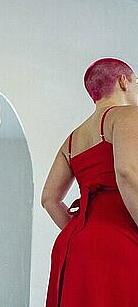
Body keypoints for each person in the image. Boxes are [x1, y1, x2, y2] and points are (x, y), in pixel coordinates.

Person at [42, 58, 138, 307]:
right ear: (123, 81)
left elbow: (49, 199)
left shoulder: (73, 139)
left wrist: (83, 233)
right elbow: (127, 173)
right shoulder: (127, 115)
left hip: (73, 245)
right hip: (119, 238)